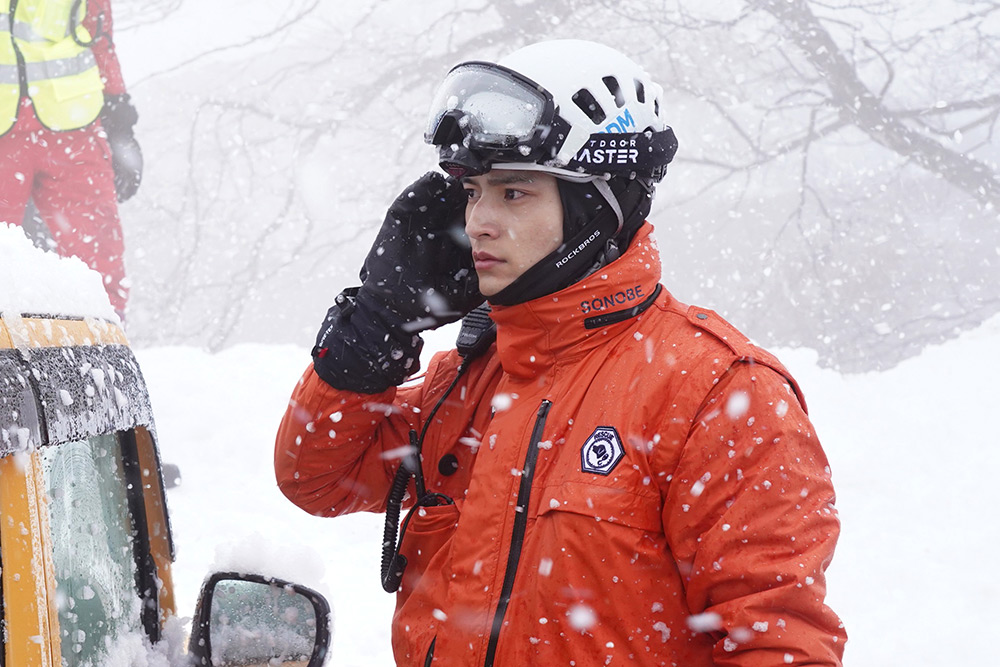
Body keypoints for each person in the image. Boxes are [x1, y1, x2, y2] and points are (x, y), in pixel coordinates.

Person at [275, 40, 846, 666]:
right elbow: (317, 478)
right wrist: (378, 326)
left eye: (513, 194)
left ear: (596, 209)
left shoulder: (717, 392)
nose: (479, 223)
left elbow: (779, 643)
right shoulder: (470, 381)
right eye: (472, 192)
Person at [1, 0, 142, 320]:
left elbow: (99, 34)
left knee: (99, 264)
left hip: (74, 125)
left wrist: (120, 127)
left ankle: (104, 357)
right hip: (7, 139)